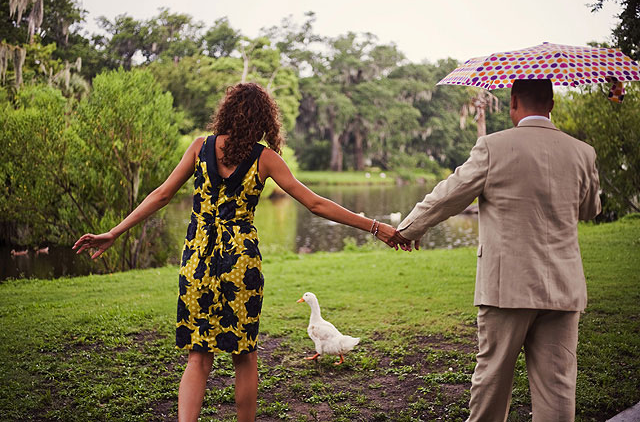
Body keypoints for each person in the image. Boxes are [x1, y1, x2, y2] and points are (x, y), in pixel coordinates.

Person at [73, 82, 398, 422]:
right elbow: (315, 204)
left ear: (226, 112)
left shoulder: (200, 147)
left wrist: (113, 232)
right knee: (244, 355)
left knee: (198, 356)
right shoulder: (265, 159)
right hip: (240, 264)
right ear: (265, 120)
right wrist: (376, 227)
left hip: (197, 260)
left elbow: (162, 195)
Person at [390, 79, 601, 421]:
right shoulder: (582, 151)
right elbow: (590, 210)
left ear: (514, 102)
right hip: (564, 287)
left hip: (507, 287)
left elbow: (449, 195)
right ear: (551, 104)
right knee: (559, 389)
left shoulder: (493, 147)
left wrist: (407, 229)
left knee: (492, 383)